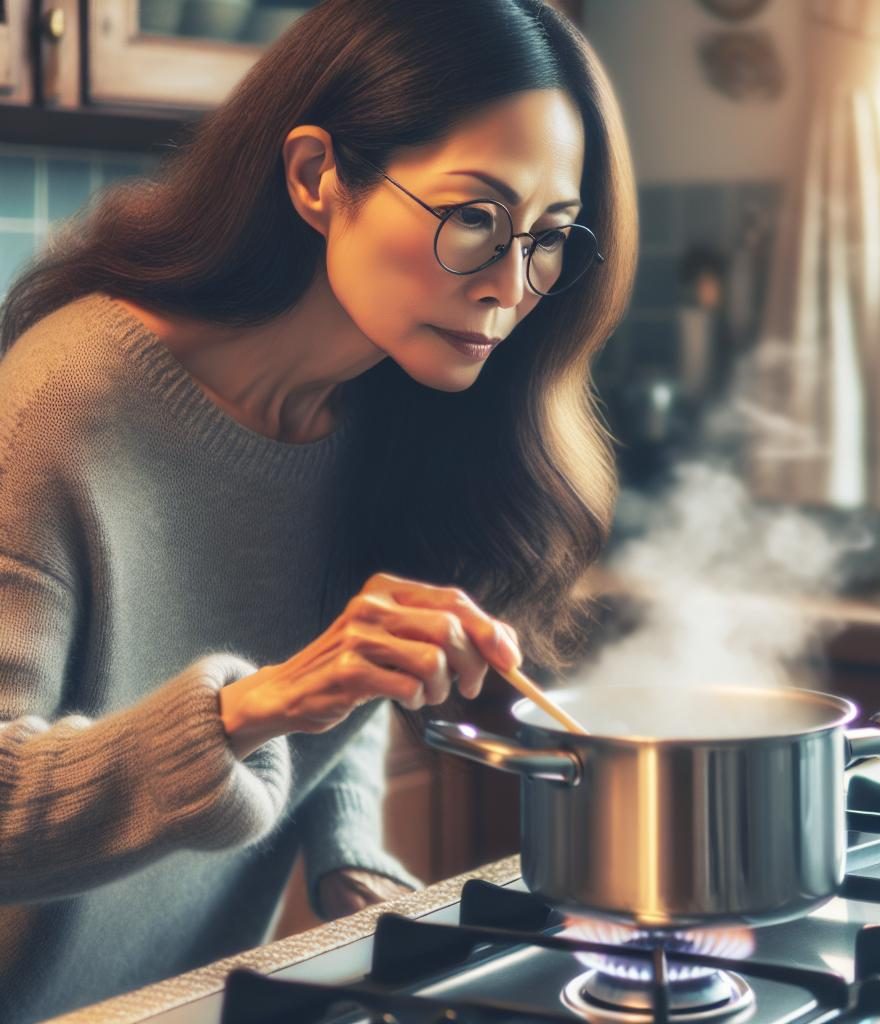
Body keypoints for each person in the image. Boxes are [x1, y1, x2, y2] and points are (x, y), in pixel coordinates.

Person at [0, 0, 637, 1019]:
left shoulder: (393, 405)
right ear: (315, 178)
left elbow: (338, 686)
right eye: (473, 216)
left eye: (550, 235)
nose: (514, 287)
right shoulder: (62, 404)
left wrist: (352, 864)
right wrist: (255, 704)